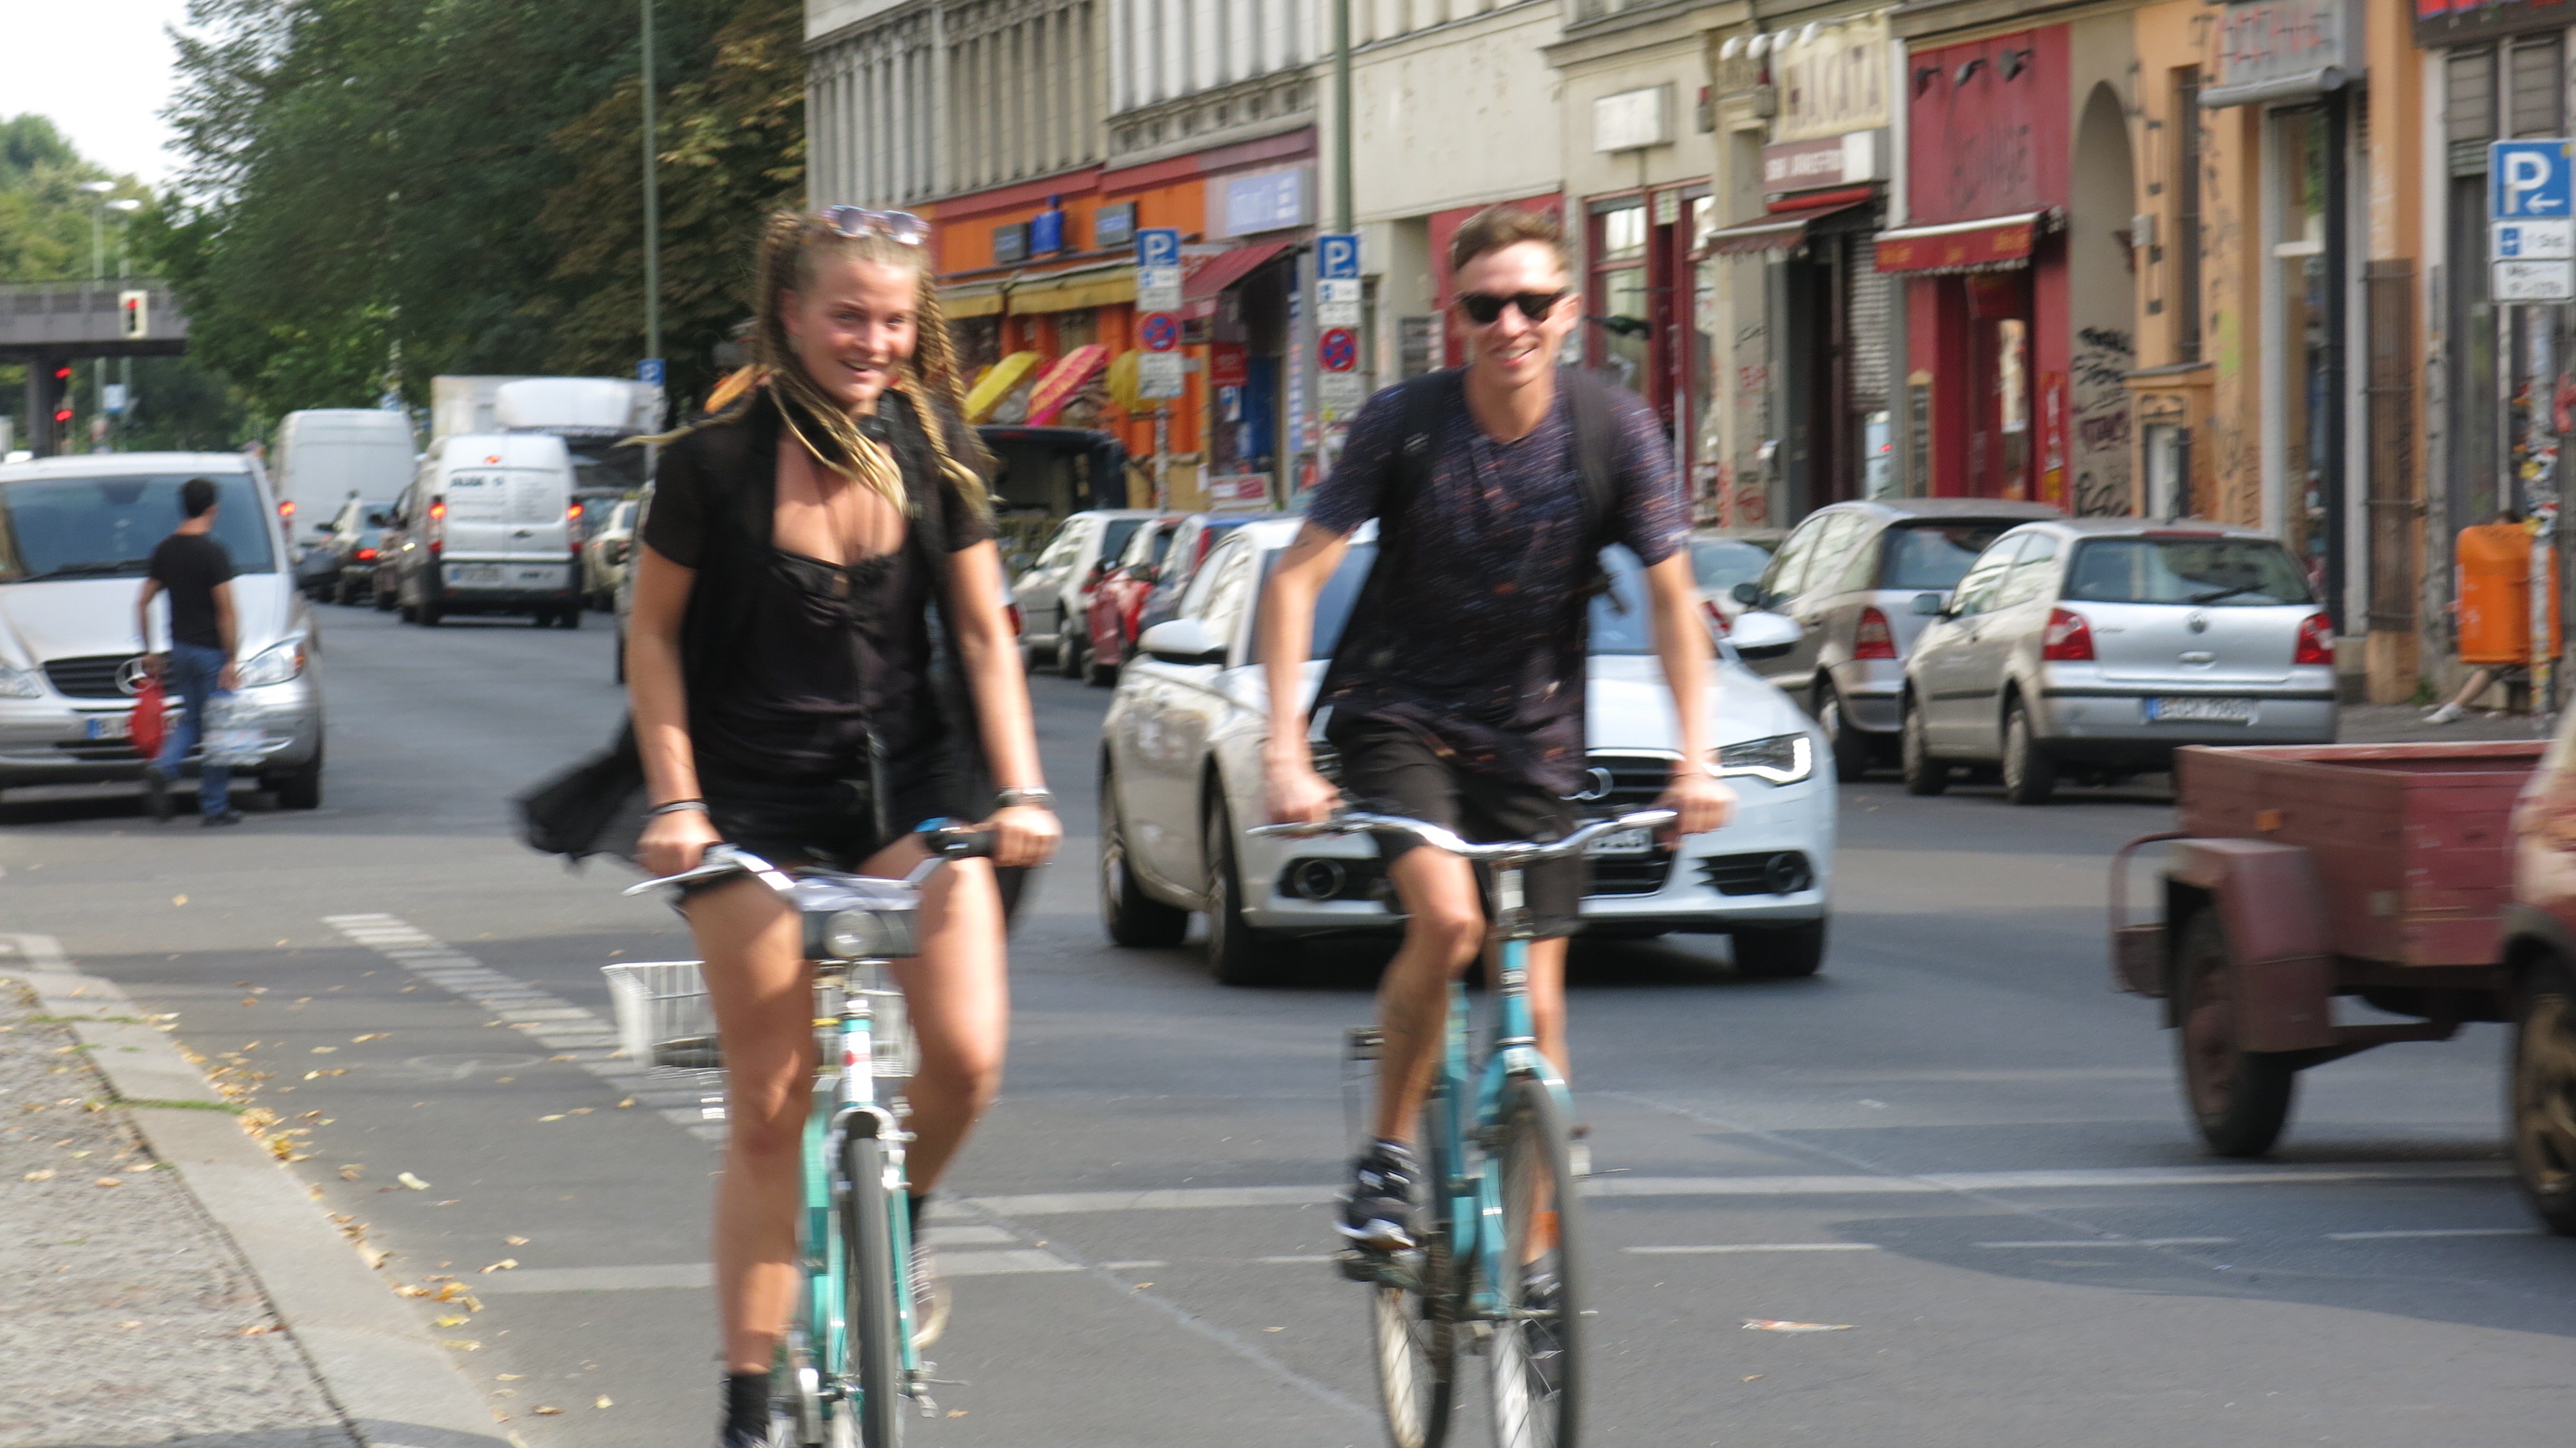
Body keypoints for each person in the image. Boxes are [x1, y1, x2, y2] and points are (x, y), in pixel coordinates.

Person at [621, 208, 1060, 1448]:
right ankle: (745, 1404)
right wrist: (677, 802)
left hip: (910, 788)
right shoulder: (714, 463)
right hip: (750, 798)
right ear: (792, 316)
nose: (874, 341)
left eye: (895, 319)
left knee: (966, 1058)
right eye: (848, 316)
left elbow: (983, 635)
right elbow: (652, 635)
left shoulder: (934, 446)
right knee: (772, 1103)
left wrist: (1022, 789)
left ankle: (898, 1230)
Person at [1254, 205, 1736, 1257]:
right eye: (1485, 306)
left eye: (1531, 302)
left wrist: (1696, 758)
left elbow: (1672, 602)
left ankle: (1528, 1281)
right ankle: (1387, 1156)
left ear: (1568, 311)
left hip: (1534, 739)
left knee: (1543, 1015)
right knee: (1450, 923)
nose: (1509, 324)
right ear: (1456, 314)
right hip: (1399, 714)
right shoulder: (1405, 423)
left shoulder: (1614, 430)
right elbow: (1295, 580)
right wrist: (1284, 750)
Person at [135, 477, 242, 827]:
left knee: (192, 720)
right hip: (211, 653)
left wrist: (149, 651)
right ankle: (215, 806)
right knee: (219, 728)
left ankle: (164, 767)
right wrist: (232, 659)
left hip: (179, 650)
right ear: (213, 509)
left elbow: (143, 601)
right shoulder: (214, 552)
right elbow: (226, 611)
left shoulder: (166, 550)